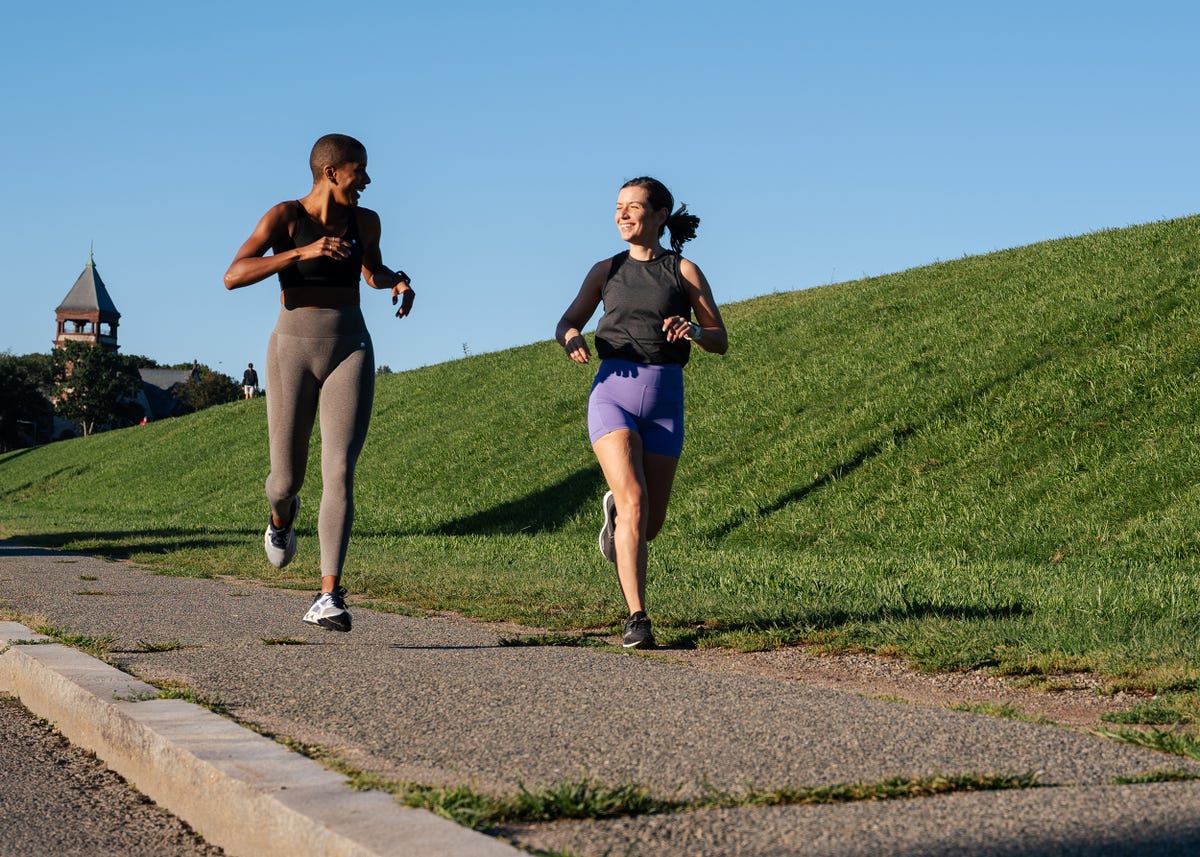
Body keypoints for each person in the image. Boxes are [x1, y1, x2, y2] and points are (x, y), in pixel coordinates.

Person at [223, 133, 415, 632]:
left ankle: (329, 594)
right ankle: (281, 517)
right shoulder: (285, 217)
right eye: (360, 170)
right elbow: (234, 274)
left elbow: (370, 270)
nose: (368, 180)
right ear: (332, 172)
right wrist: (298, 253)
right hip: (291, 350)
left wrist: (395, 280)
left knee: (341, 469)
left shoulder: (365, 221)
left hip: (349, 346)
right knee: (286, 479)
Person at [555, 177, 728, 649]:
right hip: (611, 392)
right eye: (618, 208)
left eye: (634, 208)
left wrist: (692, 330)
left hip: (665, 399)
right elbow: (568, 320)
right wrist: (572, 337)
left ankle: (616, 515)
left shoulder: (683, 270)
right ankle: (638, 617)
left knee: (648, 523)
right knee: (634, 500)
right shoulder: (605, 270)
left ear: (659, 214)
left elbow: (720, 339)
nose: (623, 215)